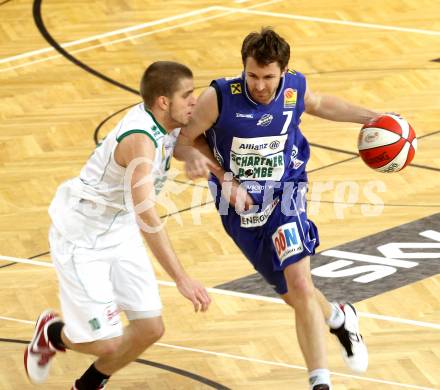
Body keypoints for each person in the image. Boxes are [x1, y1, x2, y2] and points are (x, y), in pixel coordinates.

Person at [180, 28, 380, 390]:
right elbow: (184, 140)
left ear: (284, 72)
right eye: (252, 75)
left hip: (287, 193)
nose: (259, 85)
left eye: (268, 77)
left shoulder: (293, 90)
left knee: (300, 282)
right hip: (239, 208)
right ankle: (339, 317)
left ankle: (320, 383)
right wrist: (222, 176)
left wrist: (373, 116)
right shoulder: (219, 97)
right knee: (291, 294)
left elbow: (320, 104)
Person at [24, 61, 211, 390]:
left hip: (117, 226)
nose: (194, 101)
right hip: (83, 235)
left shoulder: (168, 120)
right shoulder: (140, 141)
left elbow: (180, 144)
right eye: (188, 95)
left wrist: (192, 156)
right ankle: (52, 333)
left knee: (150, 329)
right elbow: (146, 215)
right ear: (163, 101)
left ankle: (88, 384)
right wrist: (181, 278)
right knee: (107, 342)